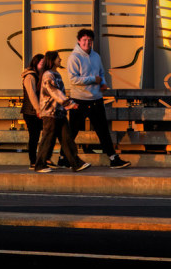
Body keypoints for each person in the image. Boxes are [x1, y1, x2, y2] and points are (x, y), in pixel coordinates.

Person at [66, 28, 131, 169]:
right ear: (78, 41)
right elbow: (73, 79)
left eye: (90, 40)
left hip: (96, 98)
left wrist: (102, 83)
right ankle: (63, 157)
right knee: (73, 130)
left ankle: (113, 158)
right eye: (84, 40)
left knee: (103, 130)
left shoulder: (96, 56)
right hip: (80, 99)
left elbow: (101, 72)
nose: (87, 43)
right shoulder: (74, 57)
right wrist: (93, 79)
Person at [34, 51, 90, 173]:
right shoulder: (48, 75)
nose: (60, 59)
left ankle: (76, 163)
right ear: (52, 60)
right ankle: (40, 165)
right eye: (58, 58)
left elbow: (59, 92)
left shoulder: (55, 73)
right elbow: (54, 91)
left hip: (59, 112)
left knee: (67, 139)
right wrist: (69, 103)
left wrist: (66, 105)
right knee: (48, 139)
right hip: (50, 113)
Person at [21, 54, 45, 169]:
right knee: (34, 136)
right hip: (31, 112)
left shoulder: (39, 76)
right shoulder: (30, 77)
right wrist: (38, 110)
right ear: (35, 63)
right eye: (41, 63)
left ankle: (43, 159)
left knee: (42, 135)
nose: (43, 65)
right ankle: (33, 161)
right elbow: (32, 95)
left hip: (36, 111)